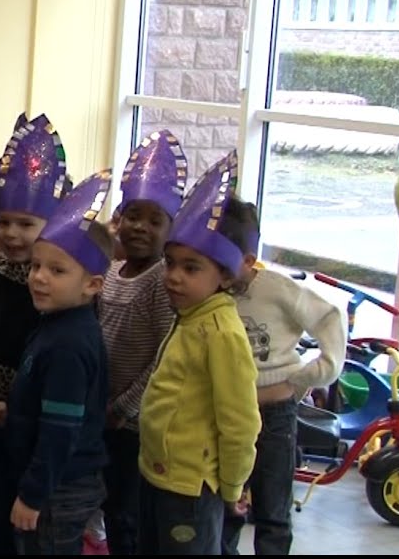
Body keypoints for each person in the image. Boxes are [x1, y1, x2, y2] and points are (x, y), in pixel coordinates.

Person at [138, 151, 262, 555]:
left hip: (193, 488)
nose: (173, 276)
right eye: (170, 263)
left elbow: (240, 420)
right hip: (158, 476)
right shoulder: (189, 315)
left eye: (191, 268)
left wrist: (233, 485)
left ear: (224, 274)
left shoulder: (221, 332)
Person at [221, 214, 346, 556]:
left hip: (274, 413)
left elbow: (329, 315)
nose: (218, 272)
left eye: (225, 262)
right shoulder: (213, 289)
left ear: (248, 259)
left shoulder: (276, 288)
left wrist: (313, 373)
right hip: (227, 414)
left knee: (273, 510)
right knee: (225, 508)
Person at [0, 114, 68, 555]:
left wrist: (16, 406)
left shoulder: (52, 292)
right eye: (4, 222)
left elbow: (49, 360)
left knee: (30, 517)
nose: (11, 234)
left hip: (32, 417)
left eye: (25, 225)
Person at [8, 171, 114, 555]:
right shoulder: (55, 325)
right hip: (55, 481)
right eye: (37, 266)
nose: (39, 277)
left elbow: (60, 431)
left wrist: (33, 496)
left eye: (57, 270)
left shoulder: (69, 344)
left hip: (59, 487)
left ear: (93, 285)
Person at [100, 130, 186, 555]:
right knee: (110, 510)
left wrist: (122, 408)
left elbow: (162, 358)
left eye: (154, 221)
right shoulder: (113, 272)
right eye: (134, 215)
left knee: (127, 517)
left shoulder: (160, 283)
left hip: (132, 424)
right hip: (103, 414)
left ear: (171, 230)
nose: (140, 227)